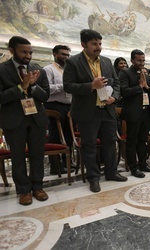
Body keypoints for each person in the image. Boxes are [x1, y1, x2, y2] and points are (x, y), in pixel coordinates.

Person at [63, 29, 127, 193]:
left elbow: (117, 84)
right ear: (83, 44)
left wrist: (115, 97)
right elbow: (68, 86)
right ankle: (93, 178)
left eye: (99, 43)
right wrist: (91, 86)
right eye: (94, 44)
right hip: (87, 112)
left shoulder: (106, 61)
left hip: (107, 110)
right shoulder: (73, 62)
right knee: (89, 146)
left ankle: (111, 172)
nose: (98, 47)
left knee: (110, 144)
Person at [0, 36, 50, 205]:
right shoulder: (2, 70)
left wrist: (33, 86)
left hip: (36, 118)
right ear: (12, 50)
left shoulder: (37, 69)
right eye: (23, 52)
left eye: (30, 52)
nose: (28, 55)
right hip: (14, 120)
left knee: (37, 155)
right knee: (18, 156)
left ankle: (37, 187)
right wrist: (21, 87)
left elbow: (46, 95)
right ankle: (23, 190)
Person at [119, 49, 150, 177]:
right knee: (132, 141)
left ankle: (143, 164)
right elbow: (124, 92)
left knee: (143, 140)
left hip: (146, 112)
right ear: (132, 60)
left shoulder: (145, 74)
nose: (142, 63)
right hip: (133, 112)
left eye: (143, 60)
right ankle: (133, 167)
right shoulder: (124, 73)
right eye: (139, 60)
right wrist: (139, 86)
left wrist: (146, 86)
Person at [43, 45, 72, 175]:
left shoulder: (69, 70)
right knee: (55, 136)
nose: (65, 57)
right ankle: (55, 166)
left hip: (69, 106)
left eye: (67, 55)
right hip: (54, 106)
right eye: (63, 54)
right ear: (55, 54)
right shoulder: (48, 69)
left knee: (68, 136)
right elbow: (47, 89)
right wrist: (64, 86)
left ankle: (68, 162)